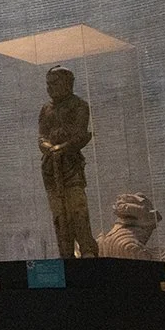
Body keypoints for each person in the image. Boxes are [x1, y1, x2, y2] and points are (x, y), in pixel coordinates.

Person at [37, 65, 98, 258]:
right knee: (59, 216)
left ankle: (88, 252)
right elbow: (41, 137)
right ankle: (66, 255)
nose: (50, 88)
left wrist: (61, 148)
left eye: (54, 83)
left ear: (67, 83)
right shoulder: (46, 110)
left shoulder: (79, 106)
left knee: (78, 213)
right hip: (50, 168)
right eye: (48, 84)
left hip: (71, 167)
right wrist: (49, 148)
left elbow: (80, 135)